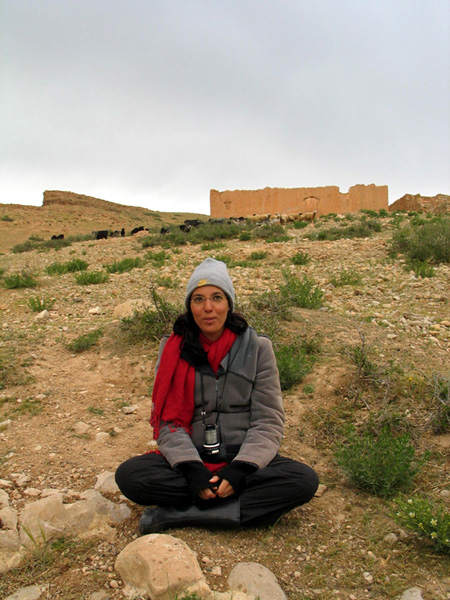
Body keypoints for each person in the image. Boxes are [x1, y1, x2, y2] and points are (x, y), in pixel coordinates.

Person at [115, 257, 319, 534]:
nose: (208, 308)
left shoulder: (258, 348)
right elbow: (168, 422)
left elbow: (268, 420)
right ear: (190, 307)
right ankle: (233, 510)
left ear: (229, 304)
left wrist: (241, 469)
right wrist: (191, 469)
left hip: (241, 456)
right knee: (130, 476)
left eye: (217, 298)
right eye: (198, 299)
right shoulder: (173, 349)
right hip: (193, 456)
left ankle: (179, 515)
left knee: (302, 481)